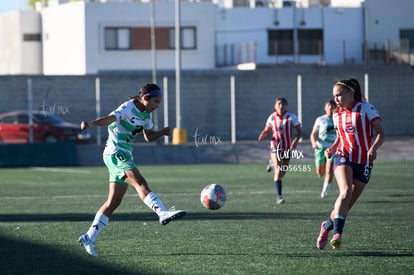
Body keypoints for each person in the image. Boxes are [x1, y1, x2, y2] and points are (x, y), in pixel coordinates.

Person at [78, 83, 186, 257]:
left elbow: (148, 137)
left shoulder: (146, 114)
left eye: (159, 102)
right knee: (139, 181)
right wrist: (90, 124)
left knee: (113, 202)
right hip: (115, 153)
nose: (157, 106)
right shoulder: (127, 108)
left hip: (124, 155)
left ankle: (89, 237)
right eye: (155, 102)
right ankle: (162, 212)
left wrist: (161, 133)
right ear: (145, 98)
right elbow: (110, 119)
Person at [316, 78, 385, 250]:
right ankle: (337, 234)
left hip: (364, 161)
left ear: (351, 93)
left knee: (345, 205)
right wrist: (332, 149)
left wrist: (374, 148)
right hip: (343, 156)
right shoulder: (337, 114)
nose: (337, 99)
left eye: (340, 95)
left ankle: (326, 226)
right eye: (334, 96)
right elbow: (340, 137)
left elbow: (381, 134)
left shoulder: (366, 109)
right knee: (345, 191)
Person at [258, 97, 302, 204]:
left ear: (286, 106)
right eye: (278, 104)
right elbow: (267, 130)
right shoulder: (272, 118)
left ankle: (272, 165)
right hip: (275, 147)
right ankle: (279, 197)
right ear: (275, 106)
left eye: (283, 104)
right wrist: (262, 135)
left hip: (287, 148)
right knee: (278, 171)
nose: (280, 106)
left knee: (282, 172)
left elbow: (299, 132)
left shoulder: (291, 117)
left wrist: (295, 141)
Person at [310, 100, 337, 198]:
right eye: (328, 106)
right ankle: (321, 170)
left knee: (329, 171)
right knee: (320, 172)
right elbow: (313, 134)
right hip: (320, 148)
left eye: (332, 105)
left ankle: (325, 191)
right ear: (325, 108)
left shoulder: (337, 119)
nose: (330, 107)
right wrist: (313, 143)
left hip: (332, 148)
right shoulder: (320, 119)